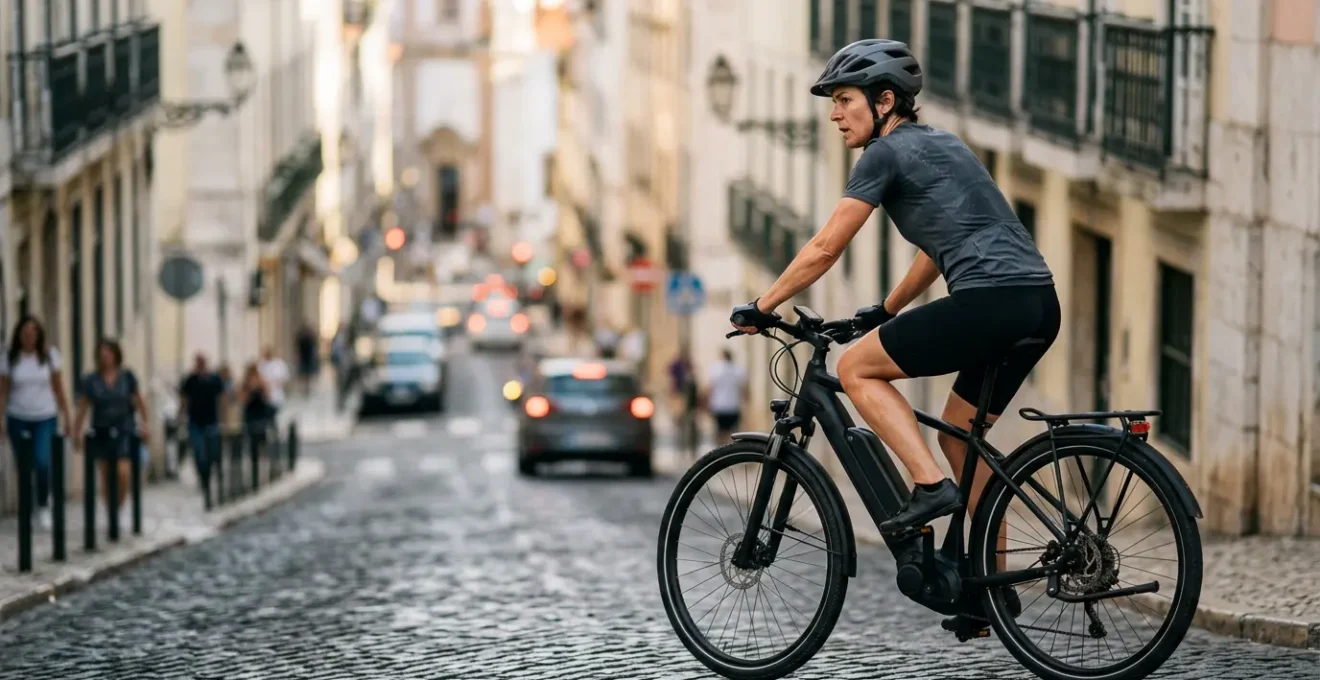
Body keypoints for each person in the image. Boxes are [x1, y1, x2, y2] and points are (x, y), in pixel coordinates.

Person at [728, 39, 1058, 625]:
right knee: (960, 437)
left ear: (885, 102)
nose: (835, 114)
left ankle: (929, 487)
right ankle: (992, 588)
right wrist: (886, 309)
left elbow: (826, 246)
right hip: (1036, 304)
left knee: (855, 368)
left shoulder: (882, 155)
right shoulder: (945, 144)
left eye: (844, 100)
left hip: (988, 301)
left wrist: (762, 305)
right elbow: (939, 246)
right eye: (833, 102)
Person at [0, 317, 73, 529]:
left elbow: (59, 388)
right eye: (25, 332)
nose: (29, 336)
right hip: (18, 416)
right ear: (19, 334)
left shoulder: (49, 356)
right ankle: (26, 508)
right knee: (24, 466)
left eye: (33, 332)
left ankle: (42, 504)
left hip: (45, 416)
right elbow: (3, 391)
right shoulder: (10, 358)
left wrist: (67, 416)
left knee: (42, 461)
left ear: (39, 335)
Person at [72, 339, 149, 528]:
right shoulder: (92, 380)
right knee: (106, 475)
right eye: (102, 353)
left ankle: (117, 507)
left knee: (123, 473)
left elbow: (139, 402)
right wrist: (76, 431)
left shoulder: (127, 377)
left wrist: (145, 425)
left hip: (124, 430)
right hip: (101, 431)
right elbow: (83, 407)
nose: (105, 357)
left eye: (108, 352)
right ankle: (111, 514)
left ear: (115, 354)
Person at [179, 353, 227, 486]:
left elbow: (222, 398)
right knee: (198, 451)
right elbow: (184, 398)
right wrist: (181, 414)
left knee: (213, 451)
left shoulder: (214, 379)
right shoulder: (190, 379)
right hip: (195, 421)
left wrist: (224, 418)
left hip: (211, 420)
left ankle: (211, 473)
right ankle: (203, 476)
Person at [705, 349, 747, 443]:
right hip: (733, 406)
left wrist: (707, 403)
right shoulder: (738, 369)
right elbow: (744, 389)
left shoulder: (715, 369)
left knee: (720, 432)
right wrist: (745, 405)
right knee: (732, 433)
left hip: (719, 406)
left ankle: (720, 449)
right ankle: (730, 449)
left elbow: (710, 388)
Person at [238, 363, 275, 452]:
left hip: (260, 413)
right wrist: (250, 390)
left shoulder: (262, 381)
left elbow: (268, 396)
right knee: (252, 439)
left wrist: (260, 387)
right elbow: (242, 399)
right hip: (250, 413)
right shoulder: (245, 383)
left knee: (261, 436)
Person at [257, 346, 289, 413]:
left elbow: (284, 377)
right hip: (265, 394)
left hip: (277, 392)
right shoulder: (262, 365)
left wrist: (277, 383)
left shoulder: (279, 363)